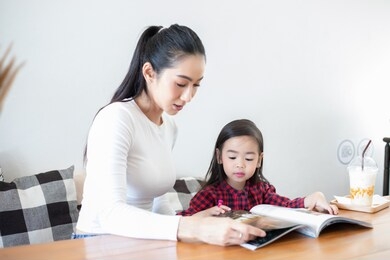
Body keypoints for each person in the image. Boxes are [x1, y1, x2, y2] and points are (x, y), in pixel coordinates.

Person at [75, 24, 266, 246]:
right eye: (181, 83)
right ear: (149, 72)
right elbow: (109, 214)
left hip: (142, 242)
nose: (188, 96)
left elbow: (157, 201)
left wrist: (192, 220)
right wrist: (191, 228)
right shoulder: (117, 118)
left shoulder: (169, 127)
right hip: (98, 243)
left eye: (196, 85)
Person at [178, 119, 339, 217]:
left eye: (249, 158)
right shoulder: (209, 195)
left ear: (259, 160)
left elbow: (287, 206)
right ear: (220, 157)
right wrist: (202, 217)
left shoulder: (262, 191)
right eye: (232, 157)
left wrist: (313, 198)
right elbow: (181, 221)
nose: (240, 164)